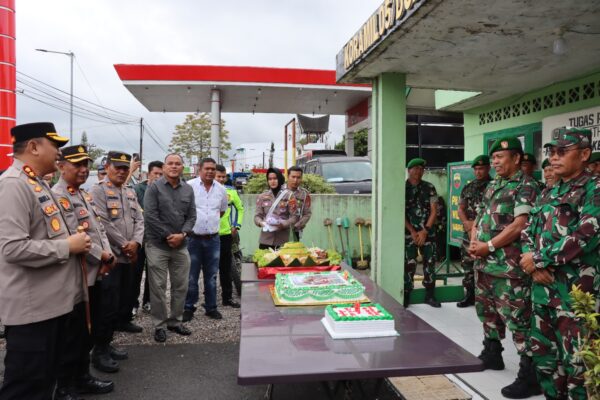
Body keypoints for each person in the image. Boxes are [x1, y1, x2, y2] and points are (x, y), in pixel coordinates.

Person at [0, 122, 91, 399]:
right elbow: (12, 248)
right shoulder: (15, 185)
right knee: (26, 387)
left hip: (50, 306)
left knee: (43, 384)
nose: (60, 154)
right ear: (34, 146)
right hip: (32, 312)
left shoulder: (36, 182)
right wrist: (68, 246)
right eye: (55, 146)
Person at [521, 127, 599, 400]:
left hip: (575, 296)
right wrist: (533, 264)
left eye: (562, 152)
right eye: (551, 152)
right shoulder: (549, 192)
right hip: (543, 294)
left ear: (585, 154)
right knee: (546, 363)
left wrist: (539, 260)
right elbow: (527, 232)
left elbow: (587, 235)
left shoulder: (594, 189)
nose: (554, 158)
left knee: (579, 368)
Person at [469, 136, 541, 398]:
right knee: (486, 312)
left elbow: (519, 224)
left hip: (509, 268)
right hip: (485, 265)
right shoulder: (493, 185)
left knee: (517, 320)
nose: (495, 162)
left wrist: (487, 246)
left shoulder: (527, 186)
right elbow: (478, 217)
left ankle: (530, 374)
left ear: (517, 158)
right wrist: (474, 239)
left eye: (500, 157)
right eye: (493, 159)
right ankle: (492, 353)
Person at [53, 145, 116, 397]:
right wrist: (101, 255)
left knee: (87, 331)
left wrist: (108, 253)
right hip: (76, 275)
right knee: (73, 334)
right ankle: (64, 385)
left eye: (86, 164)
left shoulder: (83, 194)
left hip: (96, 272)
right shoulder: (59, 195)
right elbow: (73, 235)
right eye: (77, 164)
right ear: (61, 166)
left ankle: (83, 376)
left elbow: (98, 230)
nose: (83, 169)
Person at [90, 151, 144, 373]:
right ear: (108, 167)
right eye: (117, 167)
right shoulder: (98, 191)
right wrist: (126, 244)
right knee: (106, 306)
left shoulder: (130, 192)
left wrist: (137, 243)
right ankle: (99, 351)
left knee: (122, 301)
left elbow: (140, 219)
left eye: (125, 168)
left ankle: (108, 343)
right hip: (111, 258)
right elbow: (101, 222)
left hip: (129, 257)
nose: (122, 172)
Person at [143, 154, 196, 343]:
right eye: (170, 164)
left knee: (181, 285)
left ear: (183, 167)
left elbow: (191, 217)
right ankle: (159, 325)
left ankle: (175, 321)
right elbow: (150, 216)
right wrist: (168, 236)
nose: (174, 167)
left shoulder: (188, 190)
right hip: (158, 245)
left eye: (178, 164)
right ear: (164, 167)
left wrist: (182, 235)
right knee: (157, 287)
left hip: (181, 246)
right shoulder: (154, 188)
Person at [183, 158, 228, 321]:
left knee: (211, 276)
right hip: (193, 239)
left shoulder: (221, 190)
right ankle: (188, 307)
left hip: (213, 240)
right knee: (191, 275)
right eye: (207, 168)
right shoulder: (189, 186)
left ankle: (211, 307)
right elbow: (183, 210)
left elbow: (221, 211)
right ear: (199, 169)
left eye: (213, 169)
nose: (210, 171)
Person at [404, 158, 440, 308]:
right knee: (408, 264)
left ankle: (430, 295)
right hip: (408, 232)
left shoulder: (430, 187)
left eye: (421, 169)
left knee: (430, 263)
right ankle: (406, 295)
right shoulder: (402, 188)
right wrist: (412, 231)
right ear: (409, 170)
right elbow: (400, 212)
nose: (419, 171)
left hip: (428, 232)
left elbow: (434, 210)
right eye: (416, 168)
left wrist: (425, 231)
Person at [456, 155, 492, 308]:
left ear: (488, 168)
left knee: (486, 265)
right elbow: (461, 208)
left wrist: (475, 224)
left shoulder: (494, 186)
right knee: (468, 264)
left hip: (487, 233)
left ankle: (486, 298)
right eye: (476, 169)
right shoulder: (468, 188)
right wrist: (466, 223)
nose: (478, 172)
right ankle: (469, 294)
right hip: (469, 233)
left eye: (481, 168)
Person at [133, 160, 164, 314]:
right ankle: (133, 304)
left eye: (161, 174)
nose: (158, 176)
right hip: (139, 238)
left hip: (156, 239)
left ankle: (148, 301)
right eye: (155, 173)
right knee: (135, 273)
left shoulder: (166, 190)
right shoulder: (138, 189)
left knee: (153, 274)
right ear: (148, 174)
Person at [215, 165, 244, 308]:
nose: (220, 179)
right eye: (218, 176)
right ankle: (209, 300)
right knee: (209, 268)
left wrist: (236, 225)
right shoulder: (204, 190)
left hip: (226, 234)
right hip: (207, 235)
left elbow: (240, 208)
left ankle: (227, 298)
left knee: (225, 268)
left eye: (223, 176)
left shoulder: (231, 191)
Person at [254, 167, 298, 250]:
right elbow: (257, 216)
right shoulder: (262, 196)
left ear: (280, 179)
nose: (272, 181)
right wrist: (260, 223)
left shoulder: (289, 195)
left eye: (275, 178)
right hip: (265, 240)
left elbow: (295, 217)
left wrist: (283, 224)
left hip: (282, 242)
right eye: (270, 179)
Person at [286, 166, 312, 241]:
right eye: (293, 177)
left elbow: (307, 213)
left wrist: (298, 225)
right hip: (278, 232)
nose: (295, 180)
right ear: (288, 177)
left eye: (298, 177)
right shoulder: (279, 192)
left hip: (295, 231)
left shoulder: (304, 194)